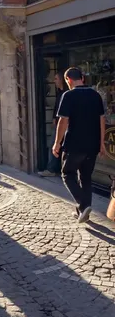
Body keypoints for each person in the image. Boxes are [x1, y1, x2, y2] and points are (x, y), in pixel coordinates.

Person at [52, 67, 106, 224]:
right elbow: (102, 120)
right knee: (86, 178)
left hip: (74, 145)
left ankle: (83, 205)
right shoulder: (95, 95)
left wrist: (57, 143)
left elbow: (63, 121)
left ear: (68, 80)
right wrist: (102, 143)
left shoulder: (68, 95)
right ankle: (84, 212)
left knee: (67, 174)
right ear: (82, 77)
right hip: (93, 145)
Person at [38, 72, 66, 177]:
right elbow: (57, 107)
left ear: (62, 80)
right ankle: (53, 168)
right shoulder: (59, 92)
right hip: (58, 122)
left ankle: (52, 169)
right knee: (54, 145)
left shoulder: (66, 93)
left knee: (54, 145)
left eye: (56, 79)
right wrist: (54, 118)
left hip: (63, 124)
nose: (54, 81)